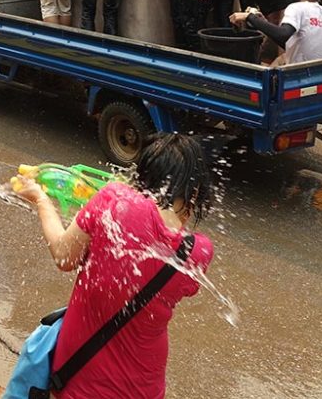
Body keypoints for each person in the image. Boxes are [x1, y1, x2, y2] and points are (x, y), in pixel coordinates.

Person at [12, 133, 213, 399]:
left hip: (82, 380)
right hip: (144, 387)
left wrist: (41, 200)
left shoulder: (114, 199)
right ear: (194, 191)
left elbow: (64, 256)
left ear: (143, 174)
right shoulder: (198, 250)